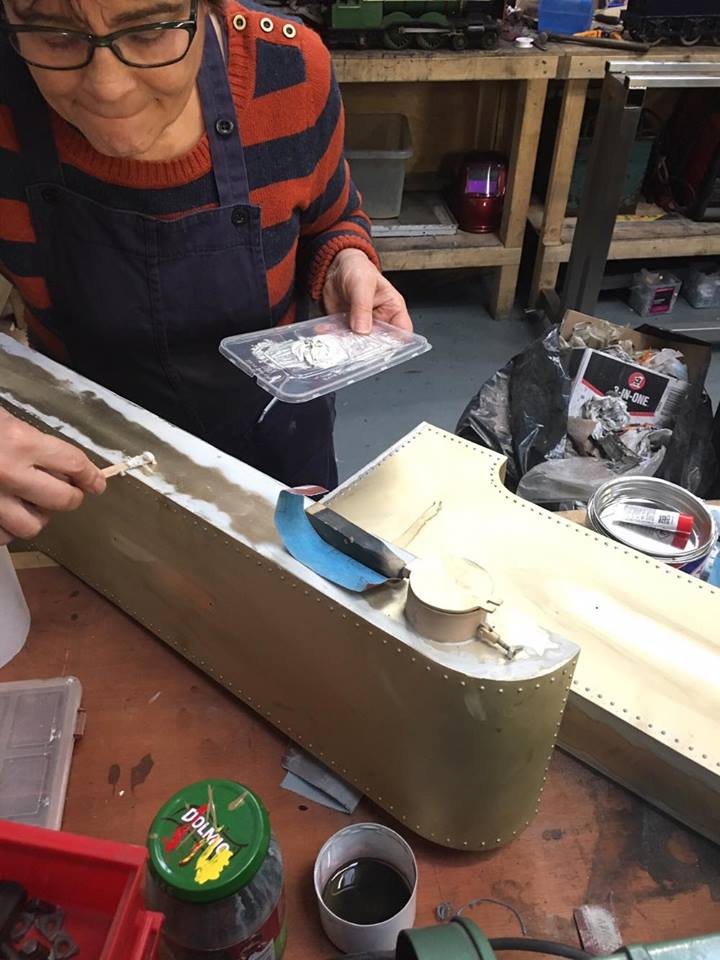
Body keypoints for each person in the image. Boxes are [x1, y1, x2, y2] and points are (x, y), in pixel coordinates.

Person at [0, 0, 411, 545]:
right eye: (56, 35)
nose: (109, 88)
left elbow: (330, 217)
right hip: (86, 459)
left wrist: (345, 259)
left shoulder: (290, 68)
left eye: (150, 31)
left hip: (277, 443)